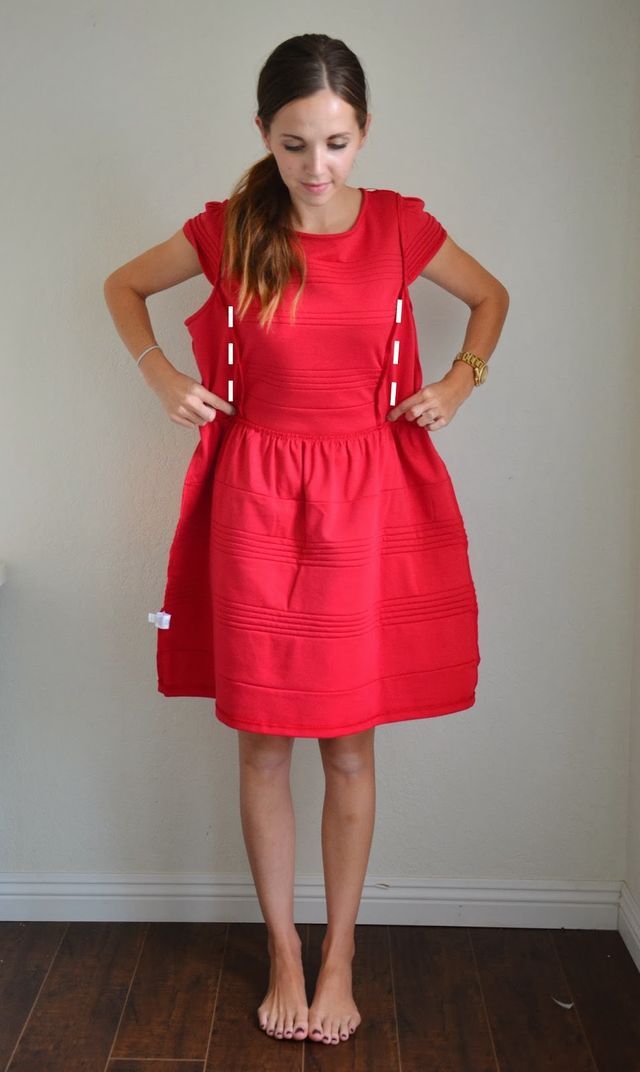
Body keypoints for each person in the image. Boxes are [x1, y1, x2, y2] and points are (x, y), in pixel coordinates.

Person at [104, 32, 509, 1049]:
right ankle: (283, 946)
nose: (317, 168)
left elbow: (490, 300)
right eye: (294, 145)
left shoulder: (404, 228)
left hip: (365, 501)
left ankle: (341, 954)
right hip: (256, 499)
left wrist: (458, 382)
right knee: (262, 741)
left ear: (362, 131)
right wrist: (161, 374)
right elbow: (121, 285)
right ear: (262, 136)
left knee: (350, 748)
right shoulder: (228, 228)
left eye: (334, 142)